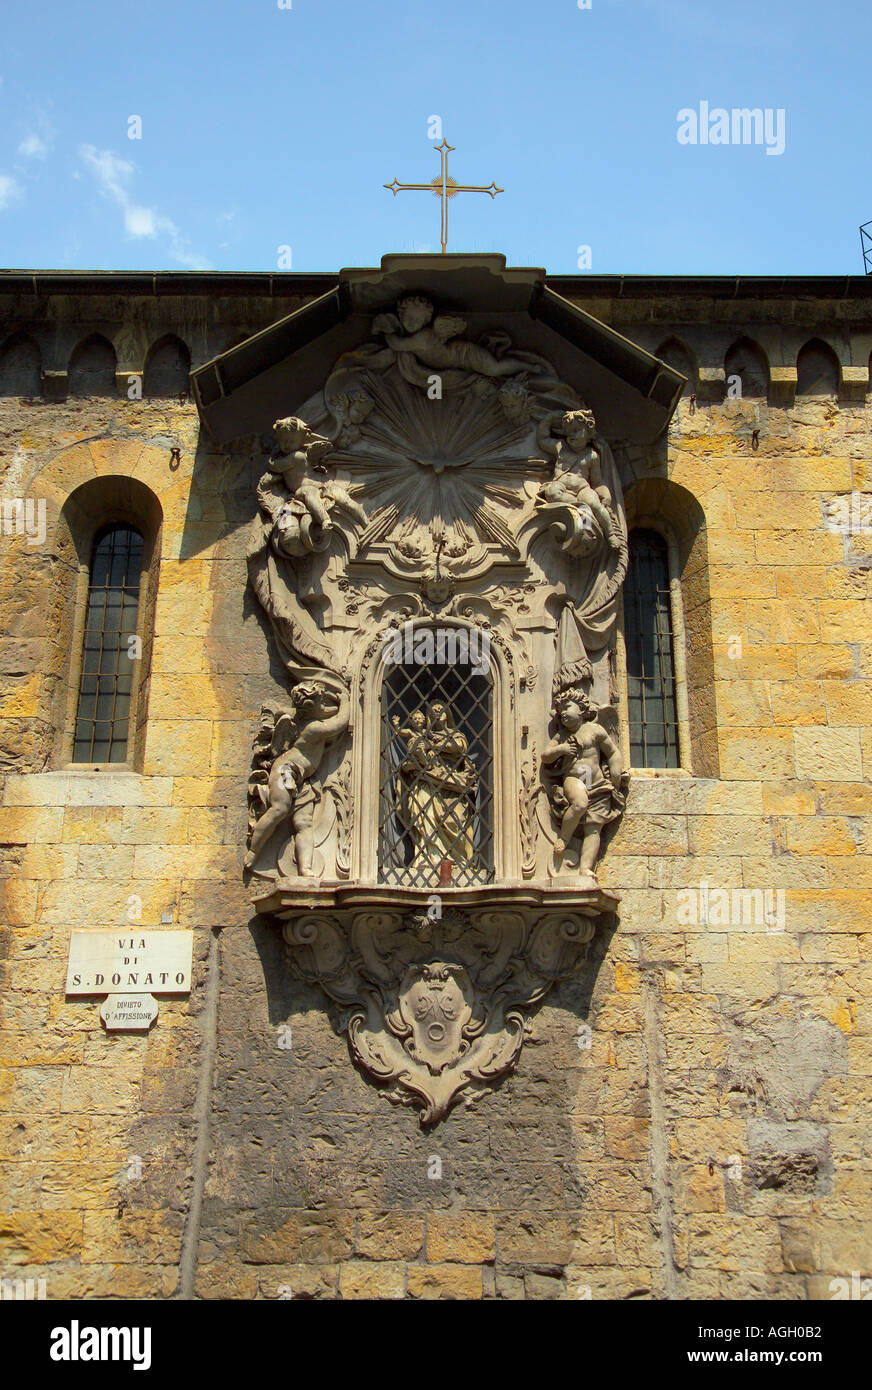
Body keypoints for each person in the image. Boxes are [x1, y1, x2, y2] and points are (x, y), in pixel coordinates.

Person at [245, 682, 350, 876]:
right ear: (311, 707)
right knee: (280, 809)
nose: (324, 706)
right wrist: (345, 700)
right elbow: (340, 721)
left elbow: (328, 712)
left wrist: (335, 700)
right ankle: (254, 850)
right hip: (287, 772)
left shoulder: (308, 718)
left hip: (303, 779)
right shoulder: (314, 729)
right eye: (321, 702)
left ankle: (306, 868)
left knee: (304, 823)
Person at [542, 689, 629, 881]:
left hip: (596, 782)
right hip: (574, 779)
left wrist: (615, 773)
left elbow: (613, 752)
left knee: (594, 828)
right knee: (580, 803)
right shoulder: (562, 735)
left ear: (581, 709)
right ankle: (564, 838)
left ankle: (585, 868)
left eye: (566, 707)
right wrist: (561, 749)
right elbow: (545, 756)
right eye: (559, 710)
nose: (562, 712)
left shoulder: (595, 730)